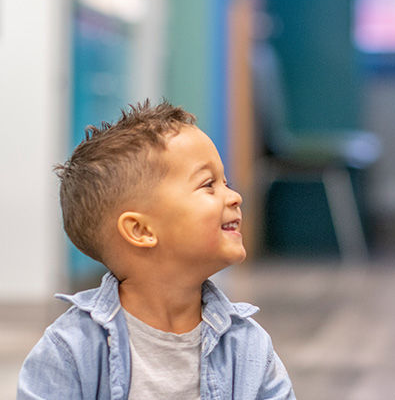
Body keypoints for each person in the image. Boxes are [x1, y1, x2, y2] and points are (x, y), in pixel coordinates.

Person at [17, 100, 295, 399]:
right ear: (141, 230)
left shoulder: (248, 347)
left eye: (225, 182)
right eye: (208, 185)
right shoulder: (70, 350)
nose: (234, 197)